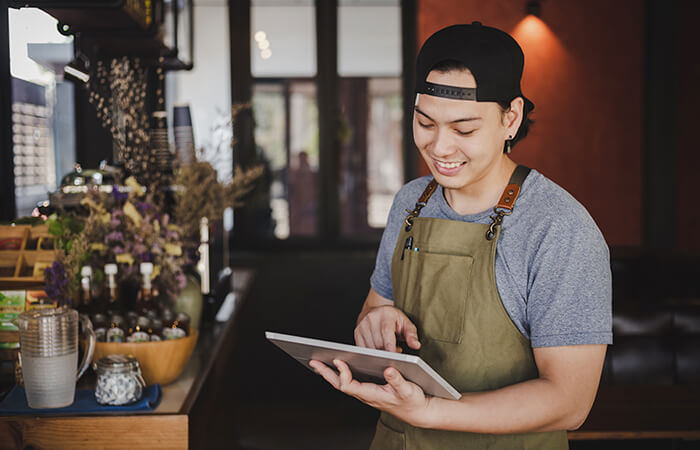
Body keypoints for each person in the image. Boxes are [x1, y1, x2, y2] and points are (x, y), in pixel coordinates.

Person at [310, 22, 612, 449]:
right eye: (425, 122)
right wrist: (372, 325)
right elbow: (374, 309)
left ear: (511, 118)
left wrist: (431, 411)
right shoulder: (410, 203)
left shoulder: (558, 228)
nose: (440, 147)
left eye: (464, 129)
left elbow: (570, 401)